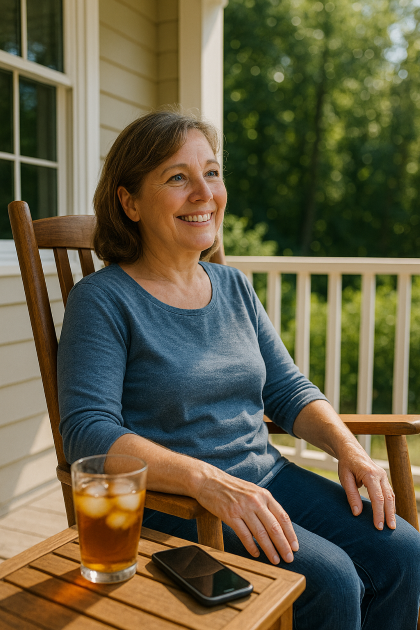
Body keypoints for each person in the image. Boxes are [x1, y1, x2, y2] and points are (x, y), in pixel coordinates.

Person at [58, 110, 420, 630]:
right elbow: (88, 434)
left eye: (211, 172)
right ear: (129, 201)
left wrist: (348, 449)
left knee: (404, 552)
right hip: (172, 508)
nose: (204, 193)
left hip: (265, 479)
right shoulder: (103, 300)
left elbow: (288, 389)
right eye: (177, 177)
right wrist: (207, 482)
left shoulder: (232, 287)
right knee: (333, 580)